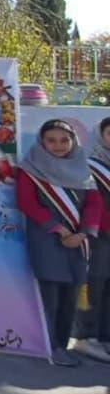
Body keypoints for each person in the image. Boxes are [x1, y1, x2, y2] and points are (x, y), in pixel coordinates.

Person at [16, 119, 103, 367]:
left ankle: (63, 345)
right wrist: (59, 229)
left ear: (74, 141)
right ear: (41, 142)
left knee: (70, 295)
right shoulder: (30, 169)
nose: (58, 145)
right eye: (51, 140)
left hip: (78, 242)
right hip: (48, 239)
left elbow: (94, 203)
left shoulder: (82, 168)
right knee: (49, 294)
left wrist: (84, 233)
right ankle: (48, 346)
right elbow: (27, 202)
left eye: (64, 140)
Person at [76, 117, 110, 363]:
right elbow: (89, 203)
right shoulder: (91, 166)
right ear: (101, 136)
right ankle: (85, 338)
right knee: (94, 283)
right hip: (99, 236)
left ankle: (105, 336)